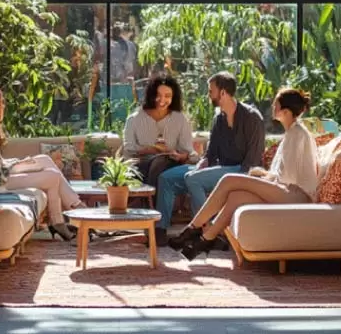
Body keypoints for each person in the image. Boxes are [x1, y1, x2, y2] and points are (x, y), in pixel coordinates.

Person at [171, 88, 318, 260]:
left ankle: (191, 229)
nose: (272, 106)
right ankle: (205, 239)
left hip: (298, 196)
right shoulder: (290, 133)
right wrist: (263, 175)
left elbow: (288, 178)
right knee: (236, 196)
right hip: (287, 190)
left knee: (229, 179)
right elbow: (282, 173)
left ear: (285, 111)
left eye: (275, 104)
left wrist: (262, 178)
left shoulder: (297, 134)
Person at [0, 84, 85, 242]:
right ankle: (68, 218)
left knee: (45, 160)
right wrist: (19, 165)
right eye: (1, 103)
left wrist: (19, 163)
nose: (3, 106)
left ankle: (72, 213)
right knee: (52, 177)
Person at [155, 72, 265, 246]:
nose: (208, 95)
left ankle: (213, 231)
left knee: (193, 179)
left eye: (210, 91)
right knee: (167, 178)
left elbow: (252, 160)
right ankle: (160, 230)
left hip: (242, 171)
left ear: (222, 93)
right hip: (218, 168)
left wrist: (205, 173)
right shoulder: (218, 119)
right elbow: (210, 155)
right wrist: (200, 165)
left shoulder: (252, 117)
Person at [123, 74, 198, 245]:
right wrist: (152, 149)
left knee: (160, 163)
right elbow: (128, 148)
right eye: (158, 95)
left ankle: (153, 224)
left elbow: (188, 152)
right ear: (151, 94)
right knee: (154, 163)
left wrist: (179, 155)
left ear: (174, 97)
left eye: (168, 96)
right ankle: (156, 225)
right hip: (139, 164)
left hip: (170, 162)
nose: (162, 100)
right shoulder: (135, 118)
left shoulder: (180, 119)